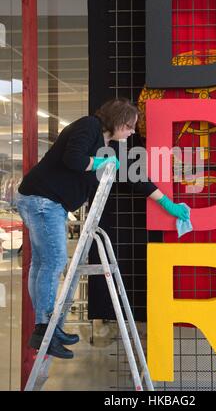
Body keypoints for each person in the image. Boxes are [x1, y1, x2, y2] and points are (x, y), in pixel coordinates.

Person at [15, 97, 189, 359]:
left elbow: (135, 177)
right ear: (118, 121)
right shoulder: (90, 126)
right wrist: (100, 164)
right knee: (54, 261)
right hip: (43, 200)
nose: (131, 132)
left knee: (42, 263)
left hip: (44, 201)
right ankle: (45, 330)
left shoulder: (108, 144)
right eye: (130, 127)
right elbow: (73, 159)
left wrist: (167, 204)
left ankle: (47, 327)